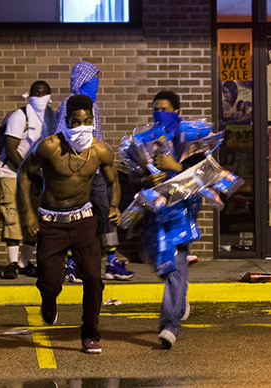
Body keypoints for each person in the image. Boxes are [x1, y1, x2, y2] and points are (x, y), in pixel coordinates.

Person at [17, 95, 121, 354]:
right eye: (76, 122)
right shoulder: (49, 146)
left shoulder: (100, 150)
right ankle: (49, 298)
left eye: (88, 121)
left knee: (94, 280)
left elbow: (114, 181)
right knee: (50, 281)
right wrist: (28, 215)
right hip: (51, 223)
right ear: (66, 121)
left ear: (93, 121)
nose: (82, 126)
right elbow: (24, 175)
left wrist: (115, 206)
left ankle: (90, 334)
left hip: (84, 222)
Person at [129, 91, 203, 349]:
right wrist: (144, 180)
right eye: (155, 109)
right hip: (153, 213)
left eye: (164, 108)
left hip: (180, 212)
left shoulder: (191, 139)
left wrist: (175, 166)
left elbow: (205, 175)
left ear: (176, 112)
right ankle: (180, 299)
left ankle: (169, 326)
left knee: (175, 267)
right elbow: (132, 177)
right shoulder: (146, 141)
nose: (159, 113)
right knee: (159, 262)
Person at [55, 61, 133, 283]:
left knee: (107, 211)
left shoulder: (94, 106)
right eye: (92, 79)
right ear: (81, 80)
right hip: (75, 172)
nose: (95, 83)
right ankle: (71, 264)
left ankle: (111, 261)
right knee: (72, 214)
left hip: (95, 171)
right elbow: (60, 135)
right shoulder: (69, 104)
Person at [0, 81, 56, 279]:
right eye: (36, 93)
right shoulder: (19, 116)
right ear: (29, 95)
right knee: (12, 213)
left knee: (33, 215)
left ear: (50, 95)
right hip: (11, 171)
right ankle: (12, 263)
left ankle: (24, 262)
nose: (40, 97)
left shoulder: (51, 116)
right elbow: (11, 149)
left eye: (44, 93)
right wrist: (28, 172)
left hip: (35, 174)